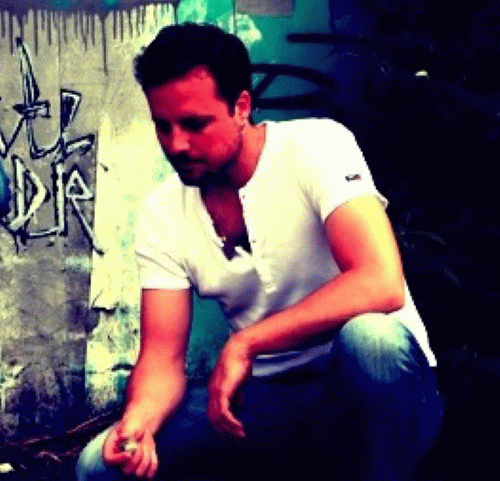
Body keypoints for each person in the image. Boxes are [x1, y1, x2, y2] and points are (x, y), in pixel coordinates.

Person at [76, 22, 442, 481]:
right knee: (99, 466)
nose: (177, 144)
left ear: (241, 107)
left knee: (372, 339)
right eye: (162, 126)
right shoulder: (162, 211)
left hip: (379, 394)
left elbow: (380, 282)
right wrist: (139, 423)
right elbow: (162, 358)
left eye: (195, 124)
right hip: (271, 406)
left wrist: (248, 341)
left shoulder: (316, 146)